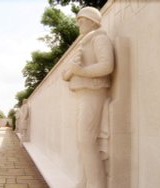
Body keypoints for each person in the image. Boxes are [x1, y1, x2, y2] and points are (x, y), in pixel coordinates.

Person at [62, 7, 114, 188]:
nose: (78, 24)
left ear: (93, 21)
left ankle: (96, 184)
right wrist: (72, 71)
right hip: (82, 94)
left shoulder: (100, 38)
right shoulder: (83, 43)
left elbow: (107, 66)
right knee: (82, 141)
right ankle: (85, 182)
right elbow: (65, 73)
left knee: (86, 140)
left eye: (81, 20)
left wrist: (81, 71)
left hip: (94, 92)